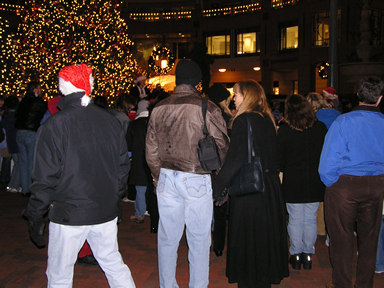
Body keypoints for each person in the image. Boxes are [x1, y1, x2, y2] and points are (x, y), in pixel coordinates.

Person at [23, 64, 135, 288]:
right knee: (112, 261)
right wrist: (114, 196)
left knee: (59, 274)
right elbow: (122, 167)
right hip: (103, 209)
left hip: (68, 213)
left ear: (62, 87)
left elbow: (45, 178)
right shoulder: (111, 121)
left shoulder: (55, 125)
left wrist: (35, 214)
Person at [146, 59, 229, 288]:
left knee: (167, 239)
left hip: (166, 176)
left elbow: (151, 150)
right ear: (197, 82)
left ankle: (167, 285)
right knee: (199, 241)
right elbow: (222, 144)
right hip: (196, 177)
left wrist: (157, 177)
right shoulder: (206, 106)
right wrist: (220, 175)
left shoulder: (159, 107)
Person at [212, 80, 289, 288]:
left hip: (250, 190)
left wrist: (218, 187)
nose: (233, 97)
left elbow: (235, 159)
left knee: (248, 242)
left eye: (236, 94)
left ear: (247, 96)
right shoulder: (267, 119)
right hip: (269, 188)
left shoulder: (243, 120)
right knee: (263, 241)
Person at [319, 76, 384, 288]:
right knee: (369, 239)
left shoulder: (344, 121)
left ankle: (342, 284)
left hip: (345, 186)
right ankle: (365, 284)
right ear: (380, 98)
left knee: (341, 240)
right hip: (375, 185)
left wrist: (332, 183)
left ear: (358, 95)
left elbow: (328, 161)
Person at [277, 94, 327, 271]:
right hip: (314, 179)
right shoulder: (320, 128)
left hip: (293, 180)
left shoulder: (285, 130)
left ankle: (296, 253)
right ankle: (308, 253)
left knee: (295, 218)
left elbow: (279, 159)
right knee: (310, 218)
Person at [207, 83, 232, 257]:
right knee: (221, 207)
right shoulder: (228, 118)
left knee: (206, 207)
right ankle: (218, 245)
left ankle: (206, 241)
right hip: (222, 166)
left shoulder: (205, 113)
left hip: (207, 164)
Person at [15, 81, 47, 196]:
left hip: (19, 132)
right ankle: (31, 189)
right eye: (39, 89)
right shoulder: (38, 102)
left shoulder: (23, 101)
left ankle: (25, 188)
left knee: (23, 162)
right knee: (31, 162)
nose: (41, 91)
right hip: (31, 133)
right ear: (35, 90)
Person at [127, 99, 151, 224]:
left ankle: (140, 213)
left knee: (140, 188)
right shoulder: (153, 122)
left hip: (138, 160)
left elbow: (128, 145)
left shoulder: (134, 124)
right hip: (152, 159)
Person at [2, 96, 21, 193]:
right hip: (16, 141)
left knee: (17, 162)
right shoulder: (16, 115)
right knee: (19, 163)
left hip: (10, 141)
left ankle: (14, 184)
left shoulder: (6, 114)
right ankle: (13, 185)